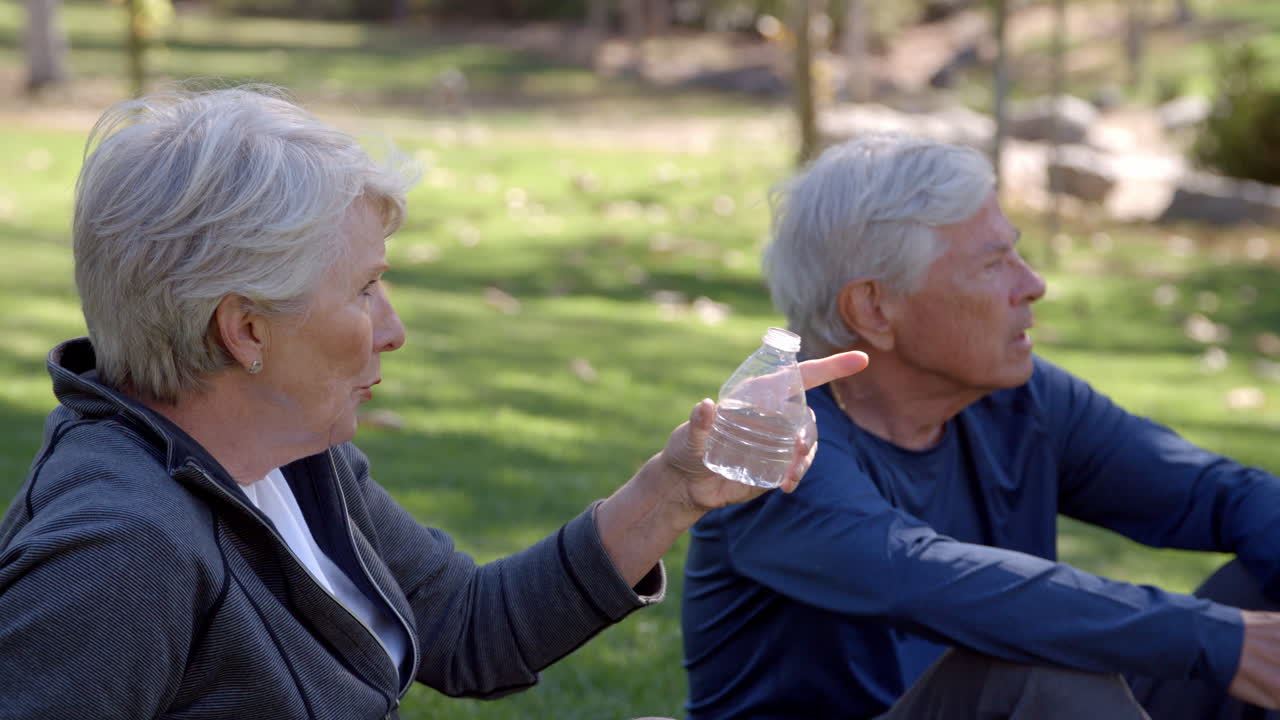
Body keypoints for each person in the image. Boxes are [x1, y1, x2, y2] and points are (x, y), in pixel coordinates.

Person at [0, 85, 868, 720]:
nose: (396, 328)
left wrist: (676, 486)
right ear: (246, 330)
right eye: (367, 289)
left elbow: (464, 625)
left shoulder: (288, 457)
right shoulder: (117, 551)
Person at [680, 133, 1280, 720]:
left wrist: (1232, 636)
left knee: (1261, 584)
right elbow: (921, 577)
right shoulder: (775, 443)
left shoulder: (1020, 401)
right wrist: (1216, 640)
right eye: (995, 264)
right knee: (1033, 666)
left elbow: (1222, 493)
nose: (1033, 285)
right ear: (873, 307)